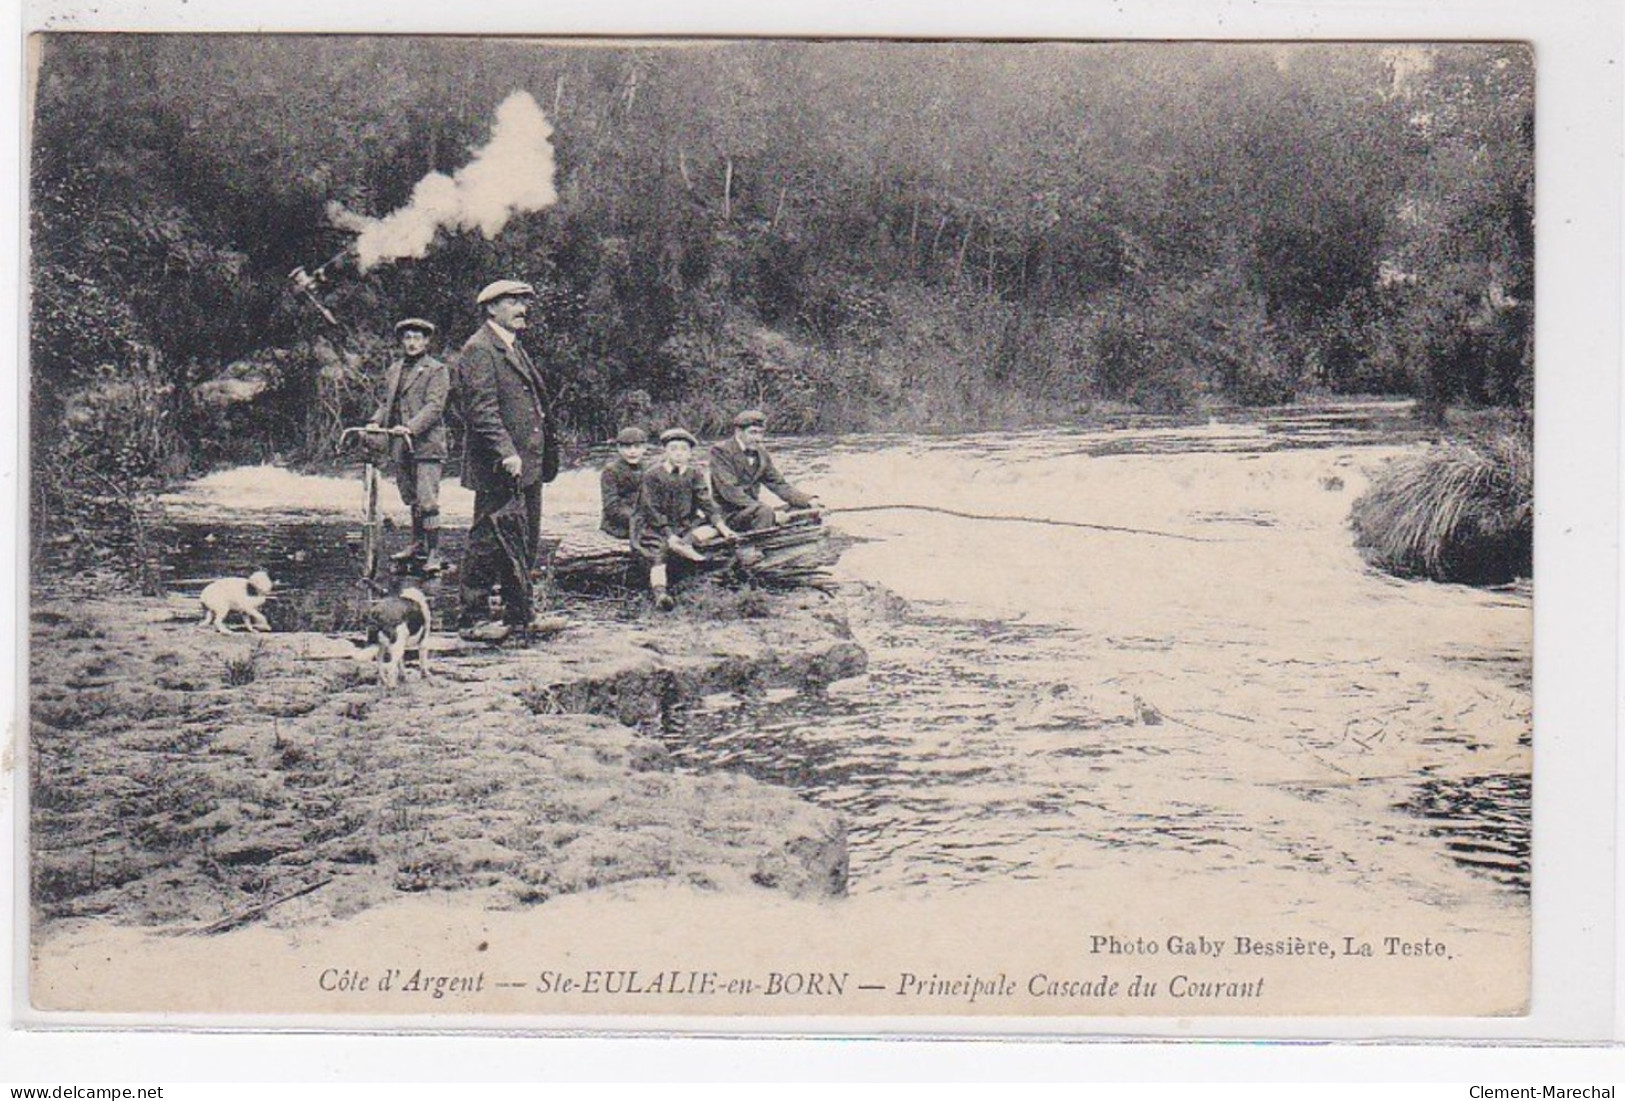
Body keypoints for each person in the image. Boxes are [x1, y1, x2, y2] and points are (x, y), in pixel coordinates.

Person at [453, 279, 560, 642]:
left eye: (523, 302)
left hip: (526, 464)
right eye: (513, 302)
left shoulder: (512, 346)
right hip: (499, 466)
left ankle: (520, 614)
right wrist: (507, 451)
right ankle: (473, 618)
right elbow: (481, 411)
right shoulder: (479, 349)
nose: (522, 308)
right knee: (486, 540)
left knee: (524, 538)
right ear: (491, 308)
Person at [367, 317, 450, 574]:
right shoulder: (395, 370)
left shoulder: (436, 370)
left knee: (428, 501)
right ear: (402, 342)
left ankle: (435, 552)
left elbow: (434, 407)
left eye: (417, 338)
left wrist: (410, 427)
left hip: (426, 444)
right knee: (412, 498)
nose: (412, 343)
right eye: (407, 338)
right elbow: (386, 404)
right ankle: (417, 544)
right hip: (400, 445)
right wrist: (374, 422)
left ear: (426, 341)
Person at [631, 428, 736, 611]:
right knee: (658, 552)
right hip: (656, 525)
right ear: (665, 451)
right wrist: (669, 534)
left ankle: (685, 544)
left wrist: (723, 527)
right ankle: (661, 594)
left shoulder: (694, 474)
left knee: (712, 528)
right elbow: (651, 508)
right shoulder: (652, 475)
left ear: (690, 453)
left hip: (685, 523)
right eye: (673, 449)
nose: (679, 454)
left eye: (683, 449)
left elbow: (706, 502)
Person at [708, 408, 822, 532]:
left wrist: (808, 500)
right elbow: (731, 492)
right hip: (729, 516)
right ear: (738, 432)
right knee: (765, 512)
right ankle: (756, 548)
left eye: (761, 433)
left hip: (754, 511)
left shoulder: (762, 454)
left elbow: (779, 485)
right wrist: (771, 514)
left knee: (804, 509)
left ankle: (802, 540)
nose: (758, 438)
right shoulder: (721, 451)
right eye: (753, 432)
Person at [599, 426, 649, 540]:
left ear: (644, 448)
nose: (632, 451)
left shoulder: (649, 469)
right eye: (627, 447)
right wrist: (638, 518)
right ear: (618, 448)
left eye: (637, 447)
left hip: (644, 519)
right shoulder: (611, 471)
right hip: (618, 525)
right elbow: (611, 506)